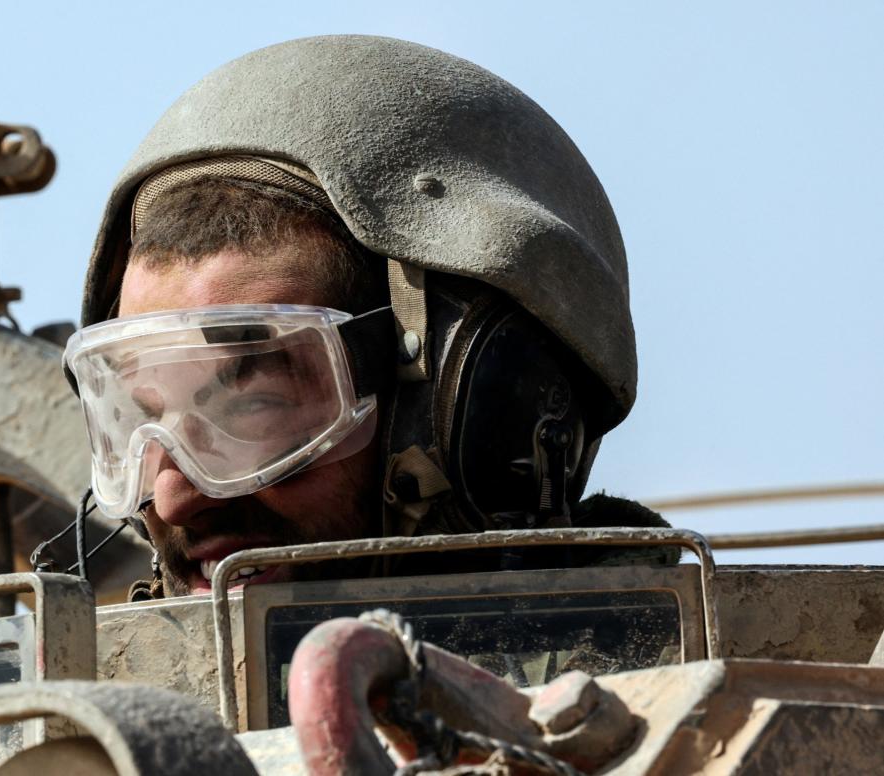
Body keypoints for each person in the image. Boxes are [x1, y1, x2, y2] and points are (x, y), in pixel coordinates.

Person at [63, 35, 670, 599]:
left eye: (253, 407)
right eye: (140, 423)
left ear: (485, 410)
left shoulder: (707, 699)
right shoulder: (68, 710)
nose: (171, 498)